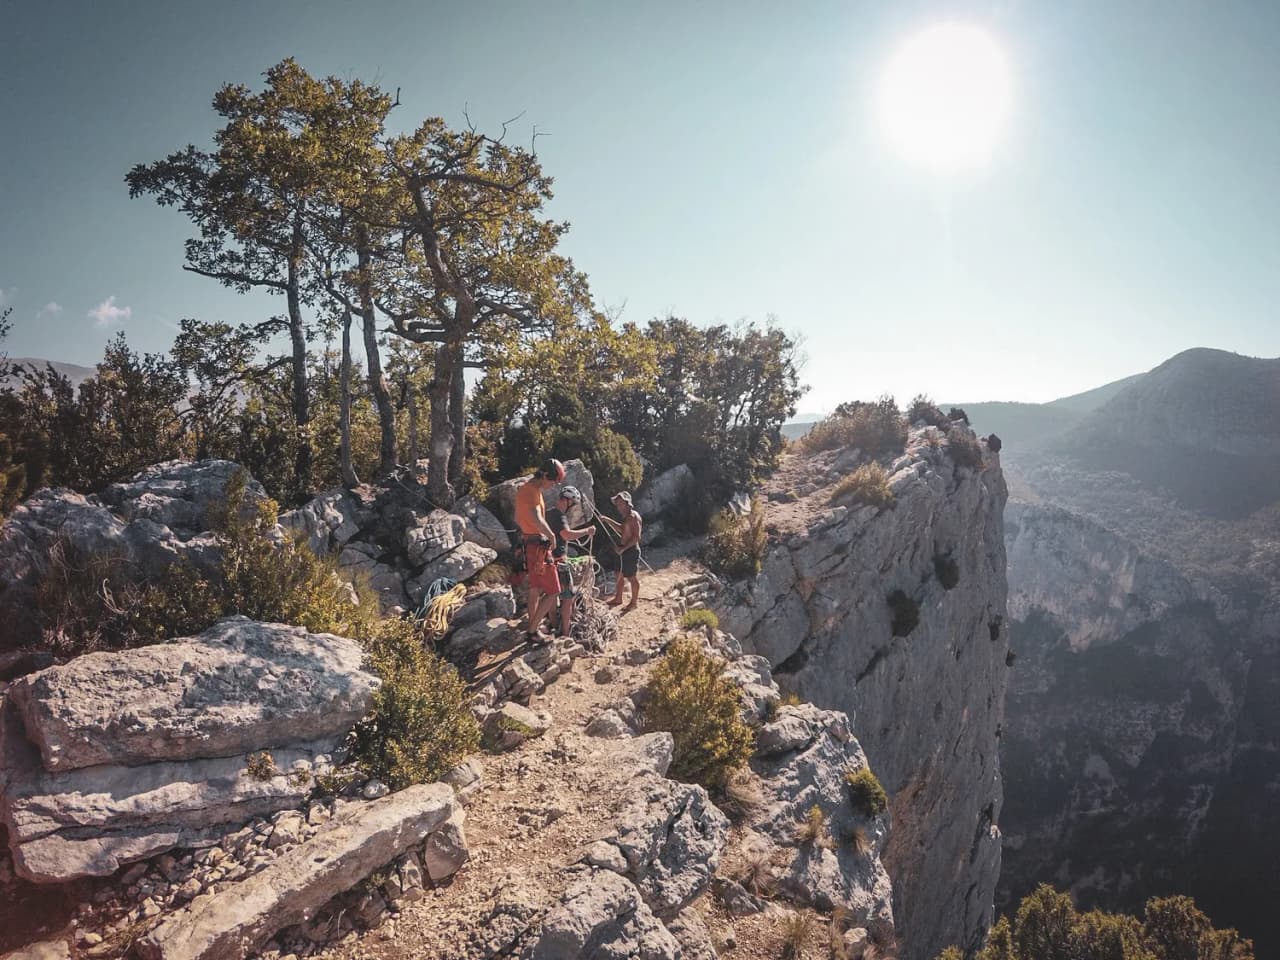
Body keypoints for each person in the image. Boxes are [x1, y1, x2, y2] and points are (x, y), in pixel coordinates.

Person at [514, 458, 566, 643]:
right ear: (544, 475)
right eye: (552, 481)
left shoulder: (530, 489)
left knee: (536, 588)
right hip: (537, 546)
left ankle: (533, 624)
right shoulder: (531, 491)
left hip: (530, 543)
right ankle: (532, 630)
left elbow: (520, 516)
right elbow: (536, 517)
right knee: (554, 591)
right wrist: (552, 536)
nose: (553, 485)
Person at [545, 485, 596, 637]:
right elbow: (566, 535)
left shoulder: (547, 513)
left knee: (551, 595)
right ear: (567, 501)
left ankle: (555, 625)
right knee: (568, 597)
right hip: (560, 561)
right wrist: (587, 531)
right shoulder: (560, 516)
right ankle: (566, 634)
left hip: (547, 560)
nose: (571, 507)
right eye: (572, 504)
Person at [600, 491, 643, 612]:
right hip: (622, 550)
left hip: (630, 551)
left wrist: (623, 548)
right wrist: (608, 520)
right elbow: (621, 529)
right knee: (618, 574)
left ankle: (634, 603)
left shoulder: (633, 517)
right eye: (617, 504)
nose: (618, 507)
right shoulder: (626, 517)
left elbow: (636, 538)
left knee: (632, 577)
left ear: (627, 503)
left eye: (620, 504)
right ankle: (618, 598)